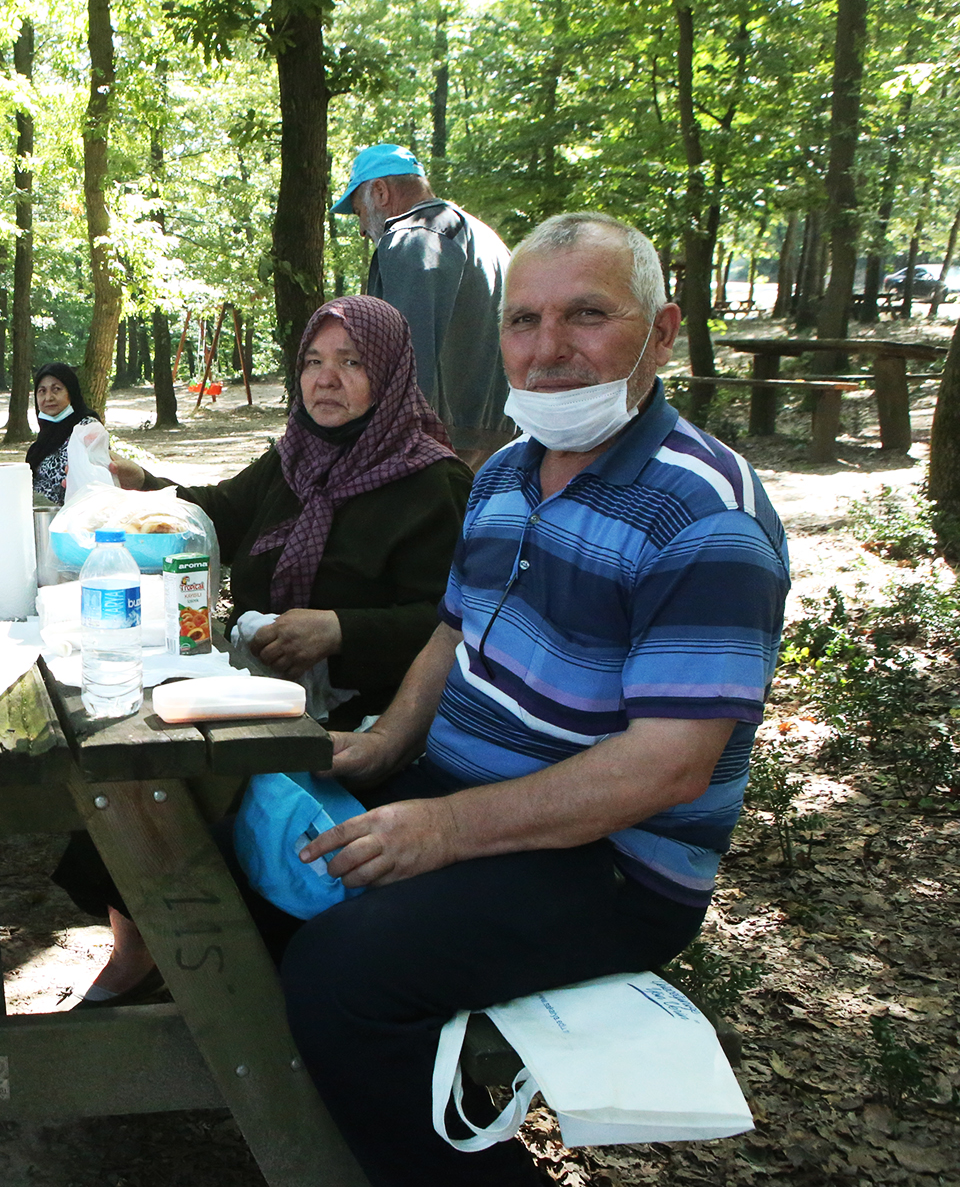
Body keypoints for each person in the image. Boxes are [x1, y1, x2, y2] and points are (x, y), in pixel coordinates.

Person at [284, 213, 790, 1186]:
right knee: (263, 866)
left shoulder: (703, 515)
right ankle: (370, 1118)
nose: (547, 348)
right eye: (521, 321)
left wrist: (444, 827)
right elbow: (450, 630)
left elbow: (667, 764)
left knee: (339, 974)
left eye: (585, 315)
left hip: (611, 866)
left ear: (660, 329)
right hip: (465, 797)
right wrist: (386, 744)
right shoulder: (504, 472)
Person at [71, 296, 472, 1006]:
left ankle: (231, 986)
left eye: (351, 363)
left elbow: (453, 624)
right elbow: (220, 511)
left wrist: (339, 628)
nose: (327, 380)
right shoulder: (292, 456)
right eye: (314, 362)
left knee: (188, 794)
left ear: (390, 374)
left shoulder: (432, 482)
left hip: (365, 718)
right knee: (126, 758)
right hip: (261, 686)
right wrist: (142, 486)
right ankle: (139, 948)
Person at [336, 142, 512, 465]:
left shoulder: (411, 238)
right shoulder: (483, 236)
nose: (362, 230)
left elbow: (404, 359)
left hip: (442, 444)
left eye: (359, 212)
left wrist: (382, 451)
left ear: (380, 192)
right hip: (504, 440)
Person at [26, 362, 100, 505]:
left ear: (71, 393)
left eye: (56, 389)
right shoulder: (46, 434)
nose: (48, 397)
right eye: (42, 391)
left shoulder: (87, 427)